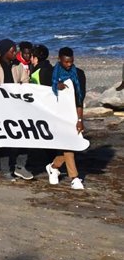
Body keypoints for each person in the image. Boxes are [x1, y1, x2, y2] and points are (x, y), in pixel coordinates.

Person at [0, 38, 33, 181]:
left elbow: (26, 81)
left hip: (17, 107)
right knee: (5, 140)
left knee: (25, 136)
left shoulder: (18, 66)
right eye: (12, 51)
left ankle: (20, 166)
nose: (15, 53)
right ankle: (5, 170)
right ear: (5, 52)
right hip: (1, 109)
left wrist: (21, 85)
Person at [46, 47, 86, 190]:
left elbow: (79, 99)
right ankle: (74, 178)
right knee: (68, 146)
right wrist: (55, 86)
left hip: (73, 115)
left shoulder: (79, 74)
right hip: (57, 116)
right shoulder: (52, 74)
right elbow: (44, 94)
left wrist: (80, 120)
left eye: (71, 61)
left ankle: (53, 167)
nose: (69, 64)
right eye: (66, 62)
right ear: (60, 60)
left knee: (72, 144)